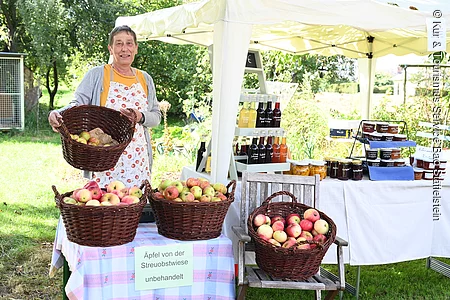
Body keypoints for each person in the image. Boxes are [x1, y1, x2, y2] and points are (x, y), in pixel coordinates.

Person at [48, 25, 161, 188]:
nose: (124, 49)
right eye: (119, 43)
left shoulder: (145, 79)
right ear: (110, 48)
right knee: (104, 208)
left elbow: (156, 116)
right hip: (104, 159)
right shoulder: (97, 75)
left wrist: (140, 116)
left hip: (138, 159)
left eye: (129, 43)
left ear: (136, 48)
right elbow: (77, 103)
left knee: (135, 208)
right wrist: (58, 113)